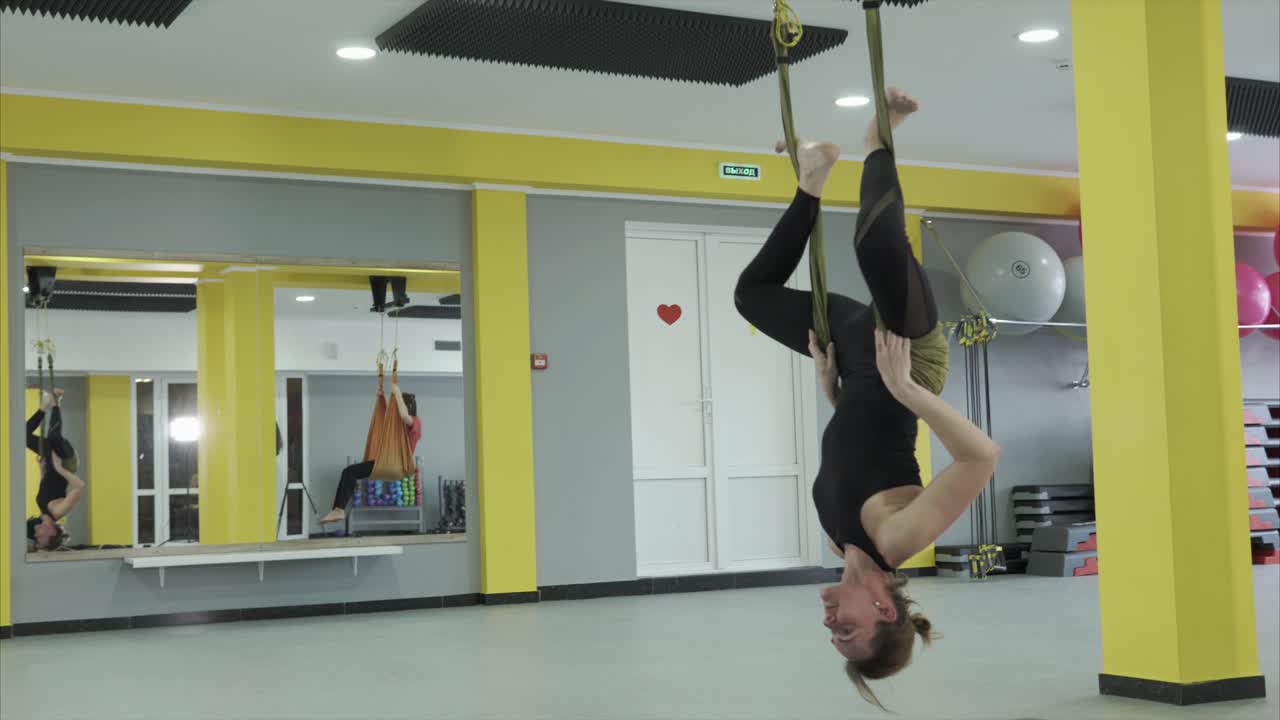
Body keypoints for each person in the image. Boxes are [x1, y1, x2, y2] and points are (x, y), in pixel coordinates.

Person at [734, 89, 1001, 708]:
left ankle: (815, 175)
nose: (830, 624)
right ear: (885, 606)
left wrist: (833, 395)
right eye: (847, 630)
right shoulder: (900, 538)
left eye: (832, 636)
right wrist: (908, 387)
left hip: (853, 363)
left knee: (753, 295)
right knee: (876, 246)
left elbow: (867, 446)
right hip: (909, 355)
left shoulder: (837, 540)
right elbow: (981, 457)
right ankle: (879, 140)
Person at [320, 383, 421, 525]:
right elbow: (391, 415)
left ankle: (339, 510)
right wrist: (382, 399)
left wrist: (396, 393)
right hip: (386, 463)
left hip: (399, 465)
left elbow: (404, 415)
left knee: (350, 472)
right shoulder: (397, 426)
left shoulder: (415, 423)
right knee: (349, 472)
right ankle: (339, 509)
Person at [25, 390, 86, 550]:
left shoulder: (44, 512)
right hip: (66, 462)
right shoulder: (58, 512)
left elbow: (48, 486)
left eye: (36, 539)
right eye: (40, 539)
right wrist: (60, 468)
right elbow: (79, 486)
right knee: (53, 437)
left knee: (22, 434)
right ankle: (54, 403)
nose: (36, 536)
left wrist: (42, 469)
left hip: (51, 464)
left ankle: (49, 404)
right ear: (51, 533)